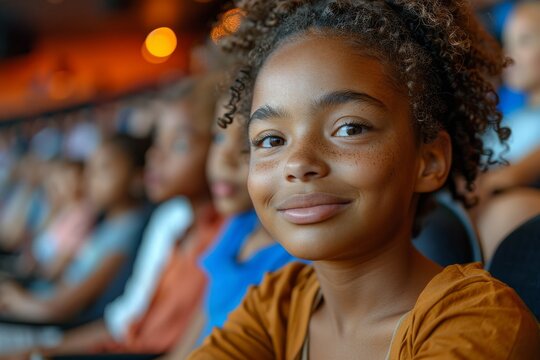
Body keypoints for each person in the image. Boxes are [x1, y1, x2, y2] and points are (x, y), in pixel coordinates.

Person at [189, 1, 540, 359]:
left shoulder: (478, 323)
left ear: (429, 161)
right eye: (271, 140)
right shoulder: (274, 306)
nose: (297, 163)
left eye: (349, 128)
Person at [19, 74, 224, 357]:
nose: (155, 155)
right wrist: (40, 351)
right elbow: (125, 320)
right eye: (157, 141)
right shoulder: (171, 221)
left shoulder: (222, 235)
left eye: (178, 143)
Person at [163, 96, 298, 359]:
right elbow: (195, 331)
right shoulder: (240, 225)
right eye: (218, 138)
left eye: (255, 141)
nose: (224, 159)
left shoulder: (298, 259)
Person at [0, 134, 150, 325]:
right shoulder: (106, 222)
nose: (90, 178)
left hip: (50, 320)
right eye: (90, 169)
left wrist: (16, 300)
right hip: (39, 300)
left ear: (137, 177)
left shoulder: (128, 233)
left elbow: (61, 309)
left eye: (103, 169)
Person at [475, 0, 540, 261]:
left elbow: (518, 171)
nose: (507, 56)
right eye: (508, 43)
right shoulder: (514, 118)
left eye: (524, 40)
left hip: (504, 201)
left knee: (504, 213)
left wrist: (503, 179)